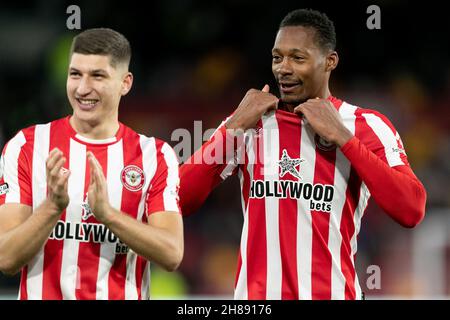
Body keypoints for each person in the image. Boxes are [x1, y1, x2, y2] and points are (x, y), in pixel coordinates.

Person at [179, 9, 427, 300]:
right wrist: (232, 127)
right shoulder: (250, 122)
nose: (283, 68)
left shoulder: (364, 125)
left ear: (329, 62)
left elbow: (411, 209)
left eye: (297, 58)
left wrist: (344, 139)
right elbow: (178, 197)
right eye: (277, 57)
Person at [0, 28, 183, 300]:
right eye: (75, 74)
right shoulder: (26, 146)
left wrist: (108, 214)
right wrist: (52, 207)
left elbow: (171, 253)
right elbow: (6, 258)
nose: (83, 88)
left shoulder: (154, 156)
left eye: (98, 76)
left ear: (125, 82)